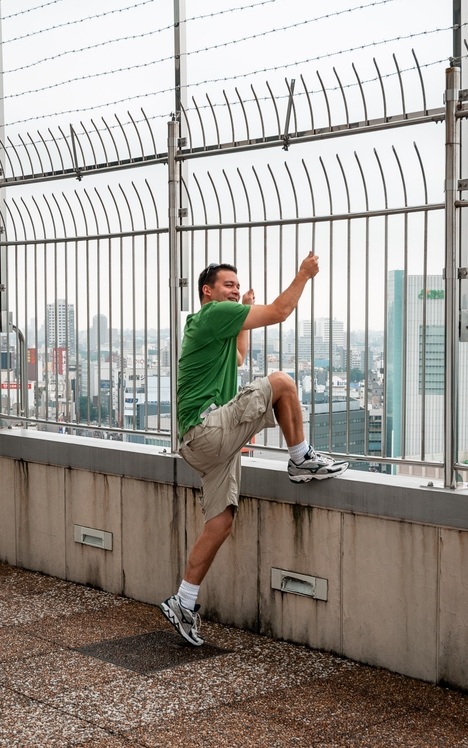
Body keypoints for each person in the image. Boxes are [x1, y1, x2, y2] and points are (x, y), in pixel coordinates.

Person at [160, 253, 348, 645]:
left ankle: (184, 600)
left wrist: (243, 310)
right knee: (281, 381)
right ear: (206, 292)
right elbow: (280, 311)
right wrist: (304, 274)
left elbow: (240, 355)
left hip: (197, 441)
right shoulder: (211, 315)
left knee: (221, 521)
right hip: (207, 430)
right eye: (227, 285)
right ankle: (301, 460)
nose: (234, 288)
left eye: (236, 284)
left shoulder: (215, 326)